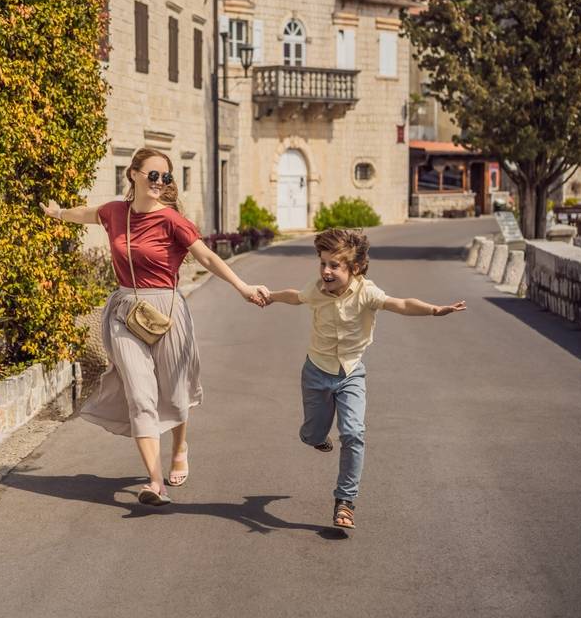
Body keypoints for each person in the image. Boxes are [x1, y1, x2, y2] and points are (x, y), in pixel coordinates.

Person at [41, 148, 269, 506]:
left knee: (174, 393)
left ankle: (180, 446)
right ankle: (155, 481)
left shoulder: (172, 221)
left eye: (166, 178)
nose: (160, 183)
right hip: (125, 312)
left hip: (167, 312)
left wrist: (242, 287)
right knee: (139, 392)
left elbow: (206, 256)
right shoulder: (115, 212)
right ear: (132, 174)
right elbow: (86, 214)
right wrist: (57, 213)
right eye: (154, 175)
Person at [264, 228, 466, 529]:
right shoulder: (316, 289)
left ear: (354, 268)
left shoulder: (366, 292)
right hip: (316, 370)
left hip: (350, 372)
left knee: (353, 432)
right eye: (323, 263)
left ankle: (345, 501)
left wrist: (434, 310)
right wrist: (271, 296)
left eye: (335, 265)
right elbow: (296, 297)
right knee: (312, 434)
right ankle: (317, 438)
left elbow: (400, 303)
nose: (326, 271)